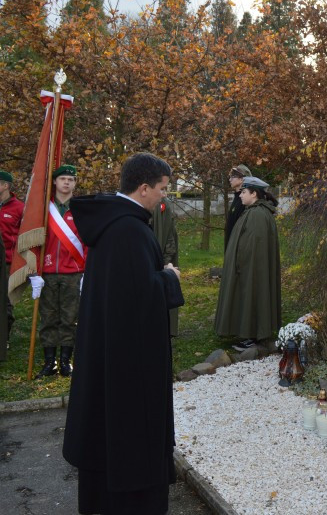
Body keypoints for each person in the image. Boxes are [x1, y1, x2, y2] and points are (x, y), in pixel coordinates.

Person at [63, 153, 183, 515]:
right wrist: (169, 279)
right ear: (144, 188)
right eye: (162, 189)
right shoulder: (129, 231)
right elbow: (138, 299)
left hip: (111, 350)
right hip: (128, 364)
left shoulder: (116, 224)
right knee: (129, 432)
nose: (165, 196)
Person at [214, 175, 281, 351]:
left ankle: (252, 334)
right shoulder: (253, 211)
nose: (241, 195)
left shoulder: (257, 215)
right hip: (247, 267)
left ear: (254, 194)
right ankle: (250, 333)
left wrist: (239, 265)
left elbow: (252, 247)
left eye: (244, 192)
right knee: (250, 296)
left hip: (250, 268)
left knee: (253, 296)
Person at [33, 164, 86, 378]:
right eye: (63, 178)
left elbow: (88, 241)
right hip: (47, 272)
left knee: (70, 318)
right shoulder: (43, 209)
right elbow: (34, 240)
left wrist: (88, 272)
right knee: (48, 318)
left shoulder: (81, 209)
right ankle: (49, 362)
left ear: (75, 184)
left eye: (71, 180)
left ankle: (65, 361)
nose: (67, 182)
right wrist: (34, 271)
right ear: (54, 182)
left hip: (73, 272)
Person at [0, 169, 24, 344]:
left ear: (5, 185)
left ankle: (3, 340)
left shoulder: (20, 208)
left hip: (7, 263)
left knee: (5, 304)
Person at [151, 194, 180, 337]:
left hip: (162, 258)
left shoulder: (162, 205)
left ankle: (166, 328)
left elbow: (167, 235)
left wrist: (166, 260)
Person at [224, 164, 251, 252]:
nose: (230, 179)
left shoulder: (246, 201)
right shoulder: (237, 197)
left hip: (239, 249)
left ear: (242, 179)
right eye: (230, 176)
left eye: (233, 176)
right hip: (231, 246)